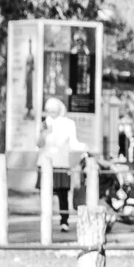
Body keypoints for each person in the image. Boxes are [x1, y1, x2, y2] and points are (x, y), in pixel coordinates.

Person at [38, 94, 84, 226]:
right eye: (49, 111)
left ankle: (64, 220)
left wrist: (84, 148)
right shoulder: (45, 123)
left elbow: (74, 143)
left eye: (53, 110)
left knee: (63, 194)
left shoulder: (69, 124)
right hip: (46, 163)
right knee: (46, 193)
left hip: (62, 163)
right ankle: (45, 221)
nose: (51, 113)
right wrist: (43, 134)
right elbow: (39, 143)